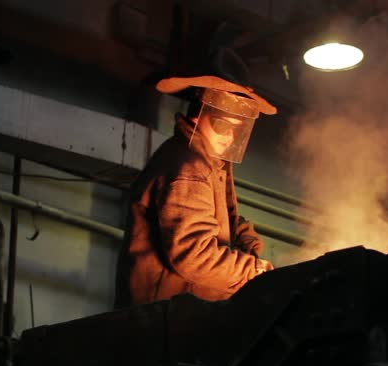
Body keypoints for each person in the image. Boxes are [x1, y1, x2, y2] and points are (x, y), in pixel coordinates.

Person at [114, 75, 277, 307]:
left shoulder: (204, 160)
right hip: (165, 318)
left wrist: (246, 240)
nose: (229, 137)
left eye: (237, 130)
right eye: (222, 125)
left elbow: (215, 218)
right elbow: (194, 256)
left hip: (174, 315)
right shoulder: (189, 167)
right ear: (197, 116)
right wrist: (256, 271)